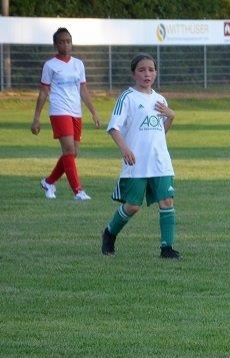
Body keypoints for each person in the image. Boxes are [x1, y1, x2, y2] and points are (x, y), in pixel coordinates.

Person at [101, 53, 180, 260]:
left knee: (167, 202)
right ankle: (109, 233)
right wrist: (125, 149)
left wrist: (171, 116)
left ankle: (167, 248)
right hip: (136, 162)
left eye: (151, 70)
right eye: (142, 70)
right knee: (133, 206)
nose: (147, 74)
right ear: (133, 73)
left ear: (156, 73)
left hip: (160, 161)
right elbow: (113, 128)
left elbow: (160, 132)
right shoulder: (127, 98)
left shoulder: (160, 99)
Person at [31, 27, 100, 201]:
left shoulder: (78, 64)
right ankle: (78, 191)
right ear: (55, 45)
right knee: (68, 149)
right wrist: (36, 118)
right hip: (59, 111)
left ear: (71, 43)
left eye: (68, 41)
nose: (65, 44)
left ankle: (49, 182)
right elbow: (43, 92)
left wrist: (93, 112)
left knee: (73, 152)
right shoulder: (50, 65)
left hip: (76, 111)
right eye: (61, 42)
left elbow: (83, 89)